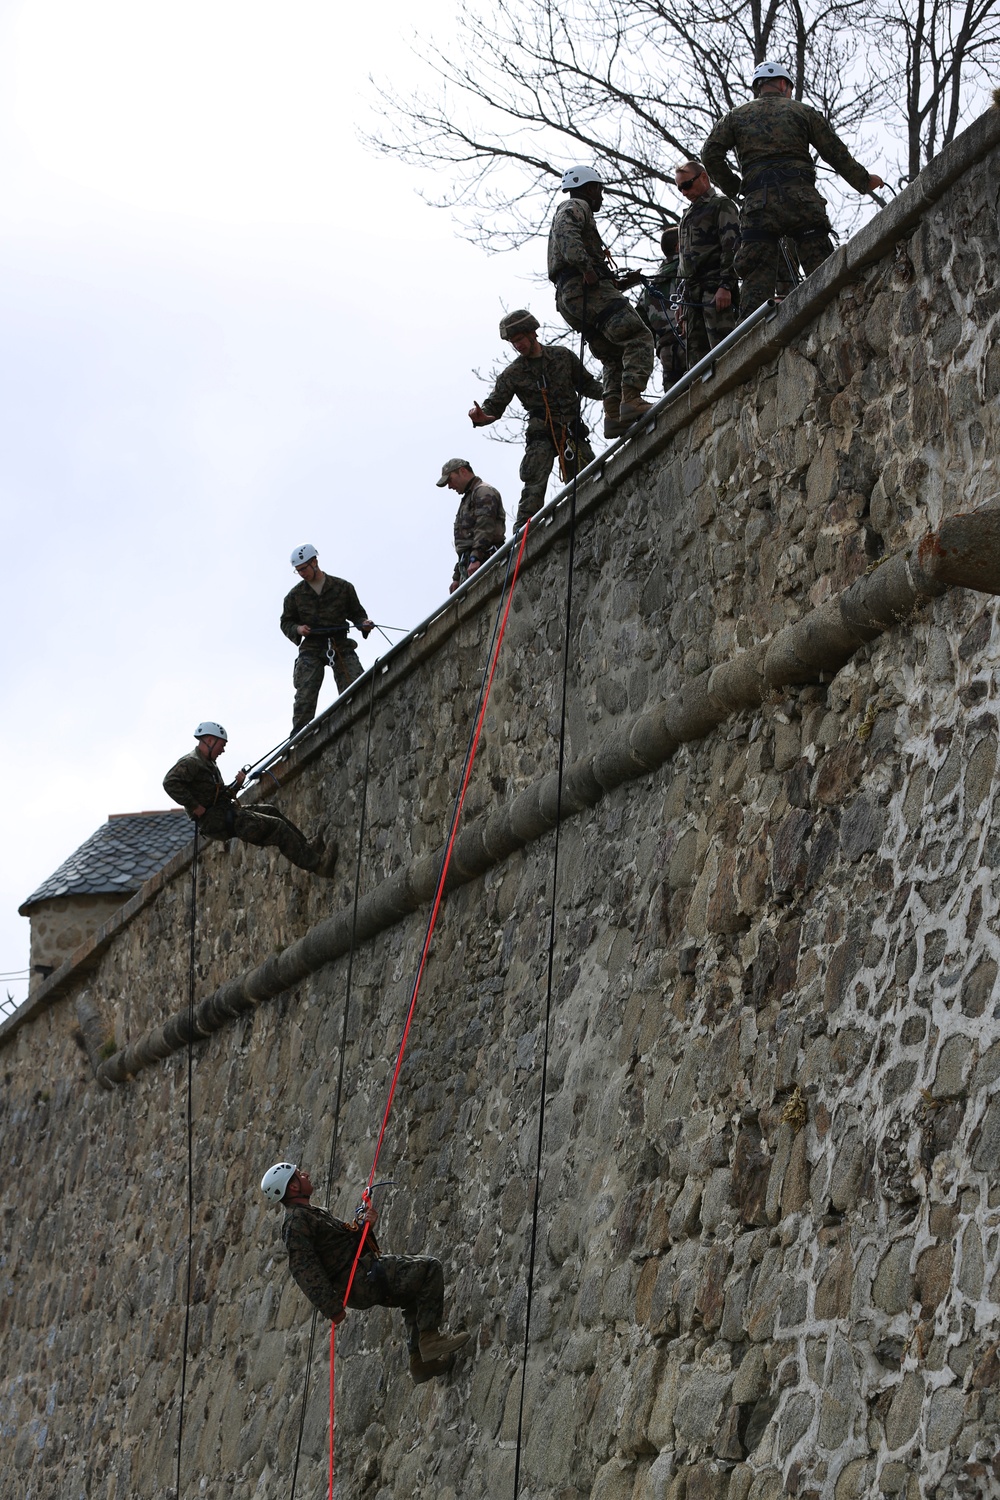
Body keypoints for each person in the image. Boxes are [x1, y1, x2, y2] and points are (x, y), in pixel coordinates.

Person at [702, 60, 885, 320]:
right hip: (802, 201)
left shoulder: (736, 117)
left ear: (759, 87)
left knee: (755, 279)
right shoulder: (802, 111)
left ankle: (752, 347)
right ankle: (843, 319)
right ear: (783, 84)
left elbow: (709, 154)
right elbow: (834, 150)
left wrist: (737, 188)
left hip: (759, 206)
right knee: (823, 269)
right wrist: (863, 181)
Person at [261, 1162, 471, 1384]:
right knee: (430, 1269)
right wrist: (332, 1308)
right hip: (362, 1278)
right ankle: (429, 1339)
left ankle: (419, 1362)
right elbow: (304, 1268)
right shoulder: (296, 1223)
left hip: (362, 1277)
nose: (306, 1174)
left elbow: (344, 1243)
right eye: (299, 1174)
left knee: (413, 1292)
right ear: (293, 1187)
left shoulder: (311, 1214)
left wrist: (364, 1228)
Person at [468, 309, 604, 527]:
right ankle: (524, 535)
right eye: (513, 342)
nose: (518, 345)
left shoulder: (562, 356)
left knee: (588, 475)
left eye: (520, 339)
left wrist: (614, 393)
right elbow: (494, 405)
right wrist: (482, 417)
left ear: (532, 333)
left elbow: (587, 384)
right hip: (541, 433)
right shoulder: (512, 374)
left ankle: (596, 517)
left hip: (571, 431)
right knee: (533, 485)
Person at [547, 166, 655, 438]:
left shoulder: (575, 208)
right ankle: (630, 399)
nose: (602, 197)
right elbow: (565, 233)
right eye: (600, 189)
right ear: (588, 187)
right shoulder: (575, 205)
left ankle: (614, 416)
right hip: (585, 291)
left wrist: (613, 281)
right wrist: (585, 266)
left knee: (612, 354)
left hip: (569, 298)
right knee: (638, 336)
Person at [163, 723, 337, 875]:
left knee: (271, 811)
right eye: (221, 745)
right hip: (216, 820)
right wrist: (194, 806)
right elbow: (170, 782)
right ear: (209, 741)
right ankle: (319, 866)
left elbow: (216, 795)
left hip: (223, 812)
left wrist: (237, 785)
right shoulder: (191, 762)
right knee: (277, 827)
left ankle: (308, 847)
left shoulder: (208, 763)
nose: (223, 750)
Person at [280, 545, 375, 736]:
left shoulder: (343, 587)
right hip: (311, 647)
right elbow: (286, 622)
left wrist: (363, 624)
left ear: (314, 562)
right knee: (305, 692)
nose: (302, 574)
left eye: (304, 569)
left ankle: (361, 719)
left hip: (339, 642)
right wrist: (298, 629)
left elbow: (356, 613)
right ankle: (300, 736)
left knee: (356, 682)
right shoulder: (294, 596)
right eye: (298, 571)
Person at [673, 161, 739, 368]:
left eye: (687, 185)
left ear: (703, 177)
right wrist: (681, 300)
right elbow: (683, 262)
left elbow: (732, 247)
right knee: (696, 360)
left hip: (714, 289)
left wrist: (726, 285)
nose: (684, 192)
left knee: (724, 352)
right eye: (679, 188)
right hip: (692, 295)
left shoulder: (721, 204)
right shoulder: (688, 214)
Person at [435, 459, 505, 593]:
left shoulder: (483, 492)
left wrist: (476, 558)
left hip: (484, 561)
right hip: (470, 566)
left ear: (462, 471)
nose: (449, 486)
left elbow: (484, 528)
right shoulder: (468, 498)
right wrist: (457, 576)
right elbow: (466, 541)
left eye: (450, 480)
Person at [636, 227, 685, 389]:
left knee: (674, 406)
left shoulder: (649, 288)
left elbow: (641, 327)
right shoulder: (688, 271)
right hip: (691, 342)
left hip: (666, 352)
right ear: (678, 246)